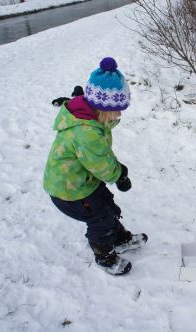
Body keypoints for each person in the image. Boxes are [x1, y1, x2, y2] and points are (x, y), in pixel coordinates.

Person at [44, 57, 147, 276]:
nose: (119, 115)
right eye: (116, 110)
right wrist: (120, 175)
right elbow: (100, 163)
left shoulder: (91, 115)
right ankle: (104, 256)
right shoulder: (86, 133)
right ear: (102, 107)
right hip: (69, 190)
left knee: (107, 205)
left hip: (82, 181)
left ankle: (119, 239)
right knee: (100, 219)